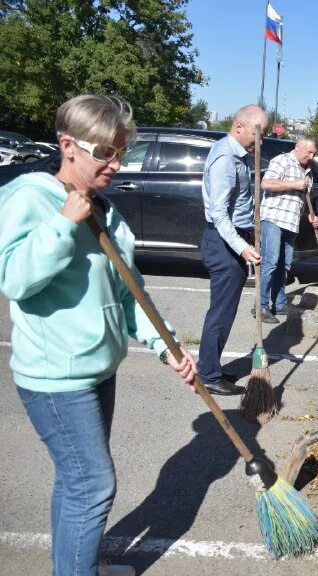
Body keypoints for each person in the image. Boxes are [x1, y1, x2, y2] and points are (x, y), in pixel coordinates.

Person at [0, 94, 197, 576]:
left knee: (75, 484)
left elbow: (131, 295)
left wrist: (166, 344)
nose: (117, 163)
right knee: (92, 486)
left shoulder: (107, 211)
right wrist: (63, 223)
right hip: (55, 377)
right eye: (106, 152)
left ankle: (78, 565)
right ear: (68, 146)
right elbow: (14, 279)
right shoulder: (30, 197)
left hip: (98, 370)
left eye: (121, 152)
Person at [197, 104, 269, 394]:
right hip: (224, 242)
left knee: (224, 309)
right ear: (239, 126)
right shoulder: (226, 159)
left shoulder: (241, 155)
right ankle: (208, 375)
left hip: (235, 238)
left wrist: (251, 232)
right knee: (222, 311)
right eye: (257, 134)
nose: (260, 142)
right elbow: (219, 214)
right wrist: (241, 247)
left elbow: (240, 206)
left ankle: (210, 365)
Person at [255, 135, 318, 323]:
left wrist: (311, 215)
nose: (311, 156)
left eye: (314, 153)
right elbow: (266, 183)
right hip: (273, 219)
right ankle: (260, 306)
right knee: (270, 263)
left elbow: (304, 199)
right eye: (309, 152)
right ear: (298, 146)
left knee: (284, 266)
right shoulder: (282, 161)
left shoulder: (309, 171)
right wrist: (294, 184)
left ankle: (280, 303)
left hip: (291, 223)